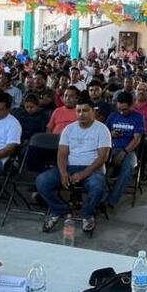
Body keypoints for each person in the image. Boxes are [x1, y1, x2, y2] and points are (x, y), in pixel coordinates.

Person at [37, 98, 111, 234]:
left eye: (85, 111)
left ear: (93, 112)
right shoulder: (69, 129)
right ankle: (59, 209)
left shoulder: (102, 129)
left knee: (97, 186)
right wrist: (64, 173)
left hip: (93, 168)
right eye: (78, 111)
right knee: (42, 181)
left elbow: (102, 158)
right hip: (70, 167)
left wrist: (83, 174)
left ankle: (87, 215)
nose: (81, 114)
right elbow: (61, 154)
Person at [105, 92, 145, 212]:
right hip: (111, 147)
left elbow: (137, 139)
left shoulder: (138, 117)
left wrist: (124, 151)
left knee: (128, 168)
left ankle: (112, 200)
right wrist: (110, 134)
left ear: (132, 105)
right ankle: (100, 194)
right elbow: (103, 133)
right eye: (119, 109)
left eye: (125, 109)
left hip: (129, 150)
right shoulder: (113, 116)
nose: (122, 112)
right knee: (97, 163)